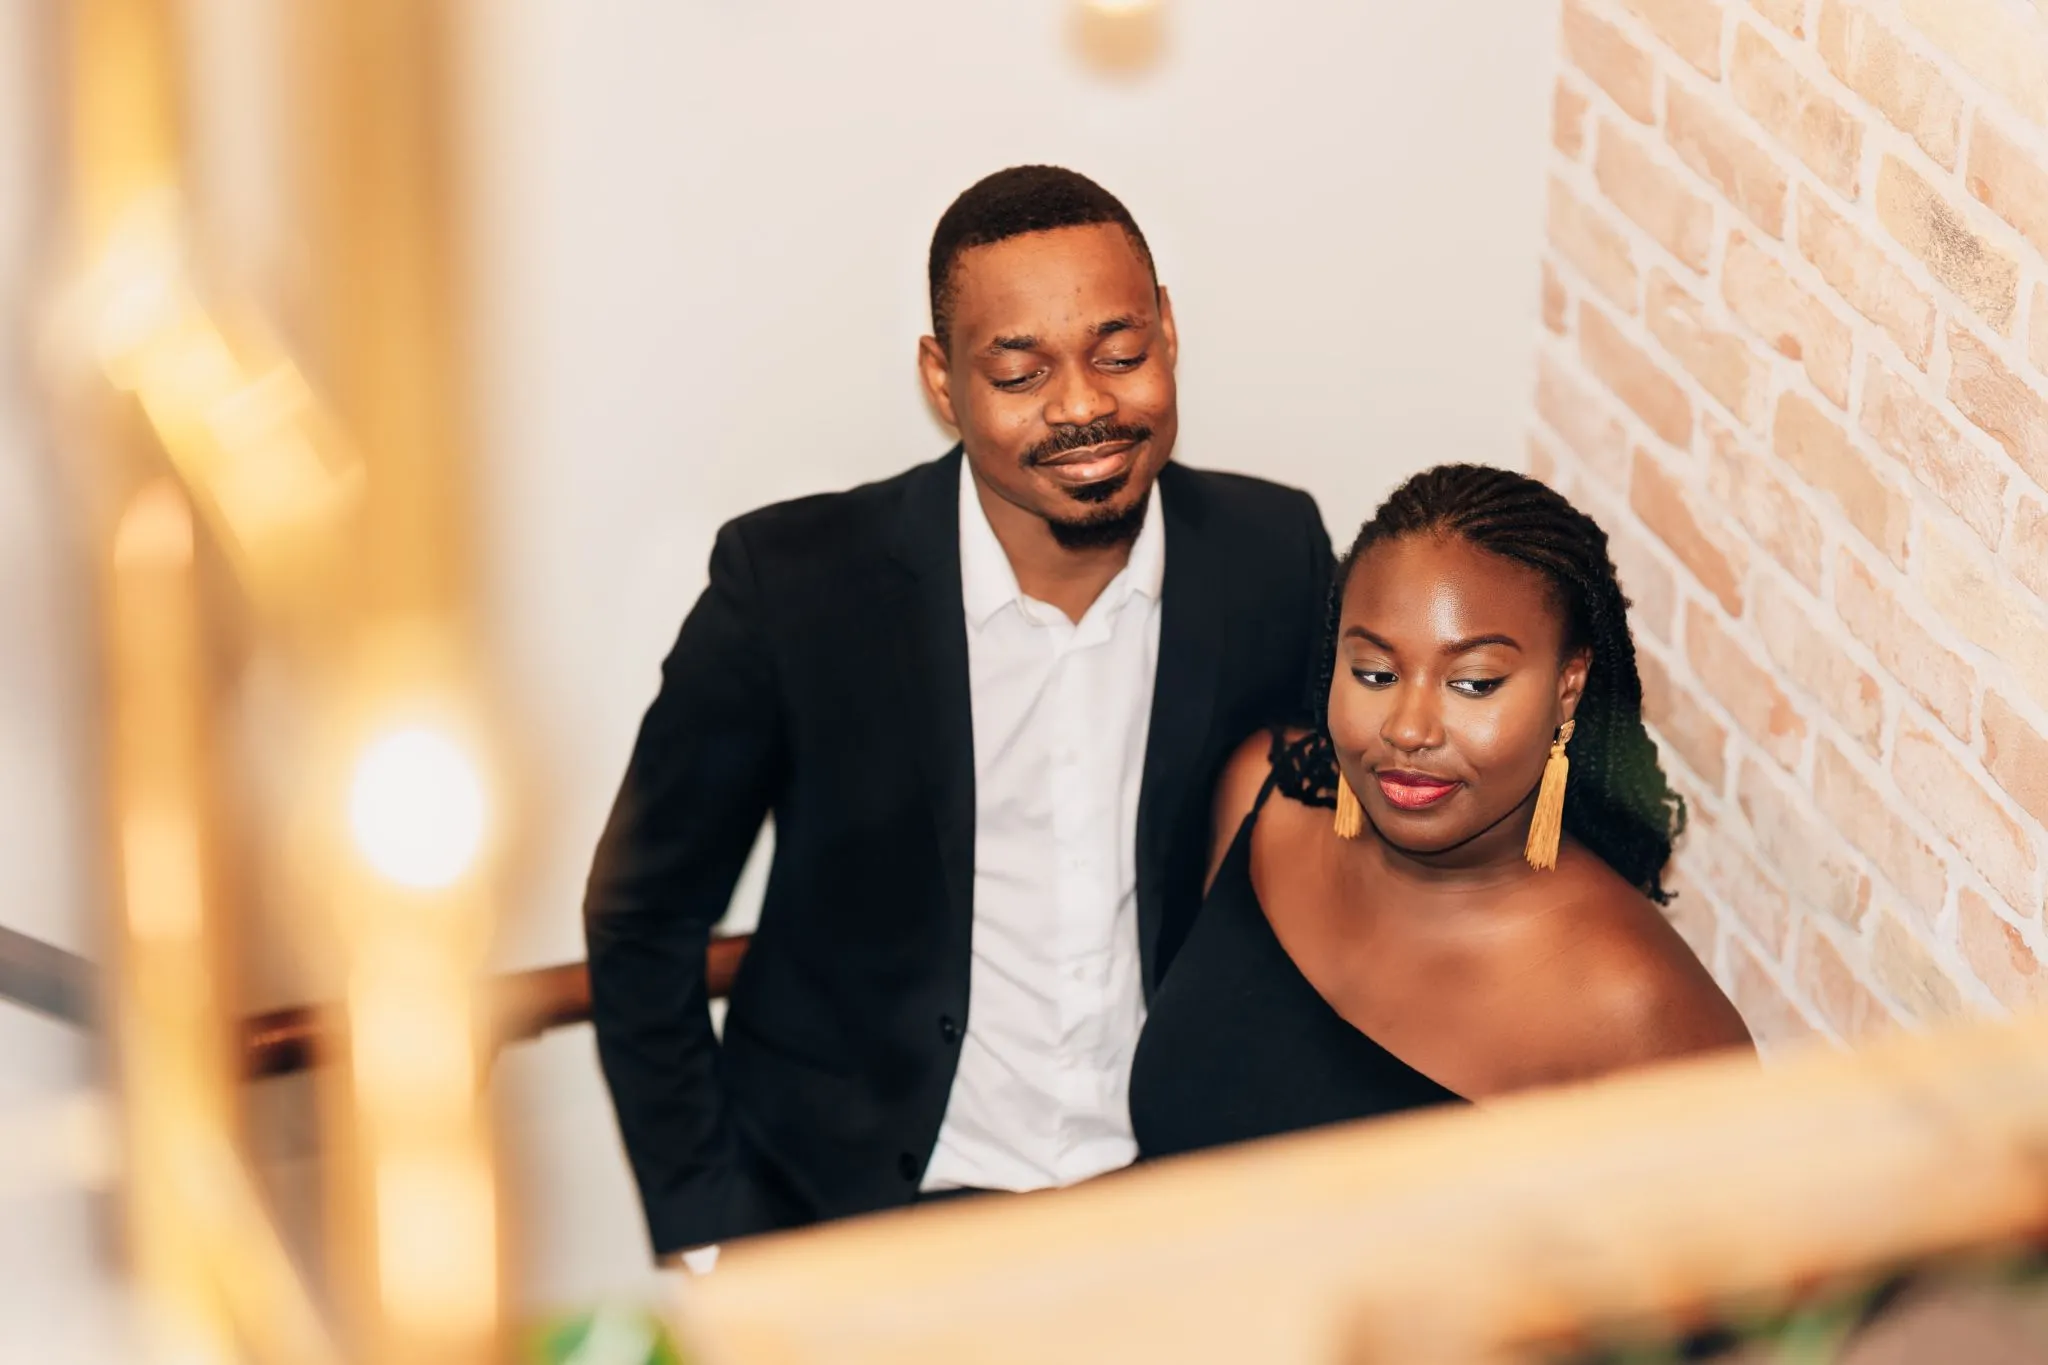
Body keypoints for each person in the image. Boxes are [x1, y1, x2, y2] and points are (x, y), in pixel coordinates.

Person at [584, 165, 1333, 1259]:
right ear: (942, 379)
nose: (1081, 405)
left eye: (1118, 354)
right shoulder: (790, 589)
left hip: (1161, 1213)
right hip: (868, 1223)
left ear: (1168, 334)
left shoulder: (1276, 555)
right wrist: (707, 1236)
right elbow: (641, 916)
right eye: (1020, 371)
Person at [1129, 464, 1751, 1159]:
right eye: (1375, 673)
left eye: (1473, 683)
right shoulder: (1264, 798)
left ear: (1568, 687)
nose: (1410, 727)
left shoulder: (1636, 1008)